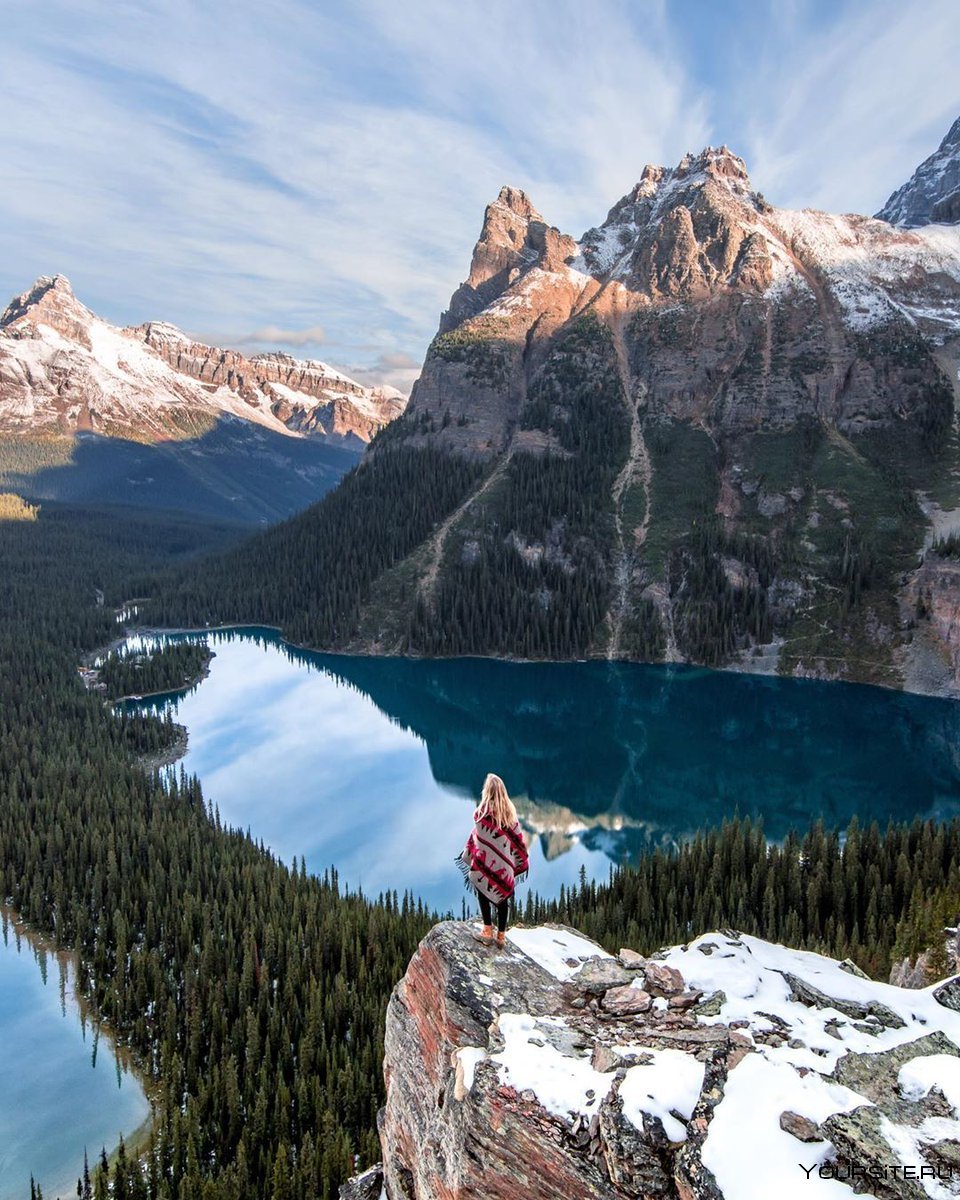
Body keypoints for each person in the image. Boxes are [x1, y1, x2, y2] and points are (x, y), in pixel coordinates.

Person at [458, 773, 529, 949]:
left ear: (486, 792)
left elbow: (479, 839)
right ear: (503, 792)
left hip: (486, 864)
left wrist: (471, 849)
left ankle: (487, 931)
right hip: (504, 866)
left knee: (482, 889)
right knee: (503, 897)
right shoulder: (511, 817)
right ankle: (501, 937)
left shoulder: (480, 815)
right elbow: (518, 844)